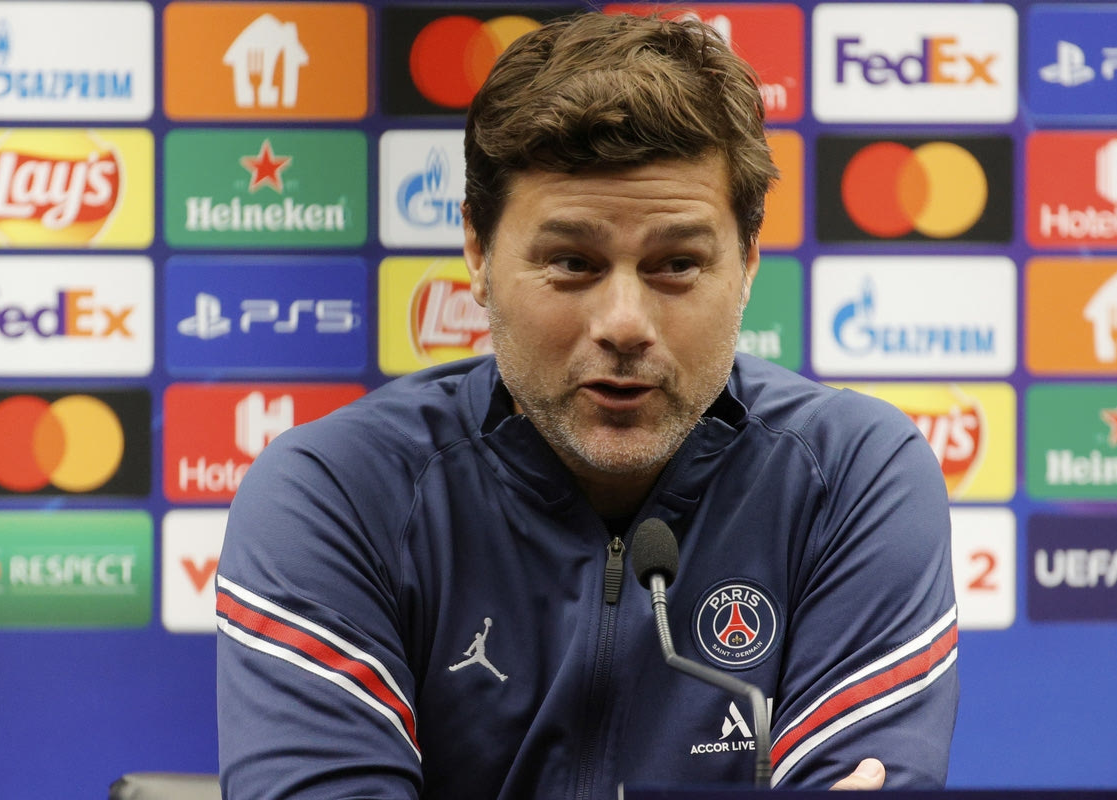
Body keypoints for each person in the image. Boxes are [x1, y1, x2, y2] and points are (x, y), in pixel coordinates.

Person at [216, 12, 957, 799]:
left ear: (746, 263)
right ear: (478, 252)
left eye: (677, 264)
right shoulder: (335, 491)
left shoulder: (850, 476)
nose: (624, 325)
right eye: (572, 262)